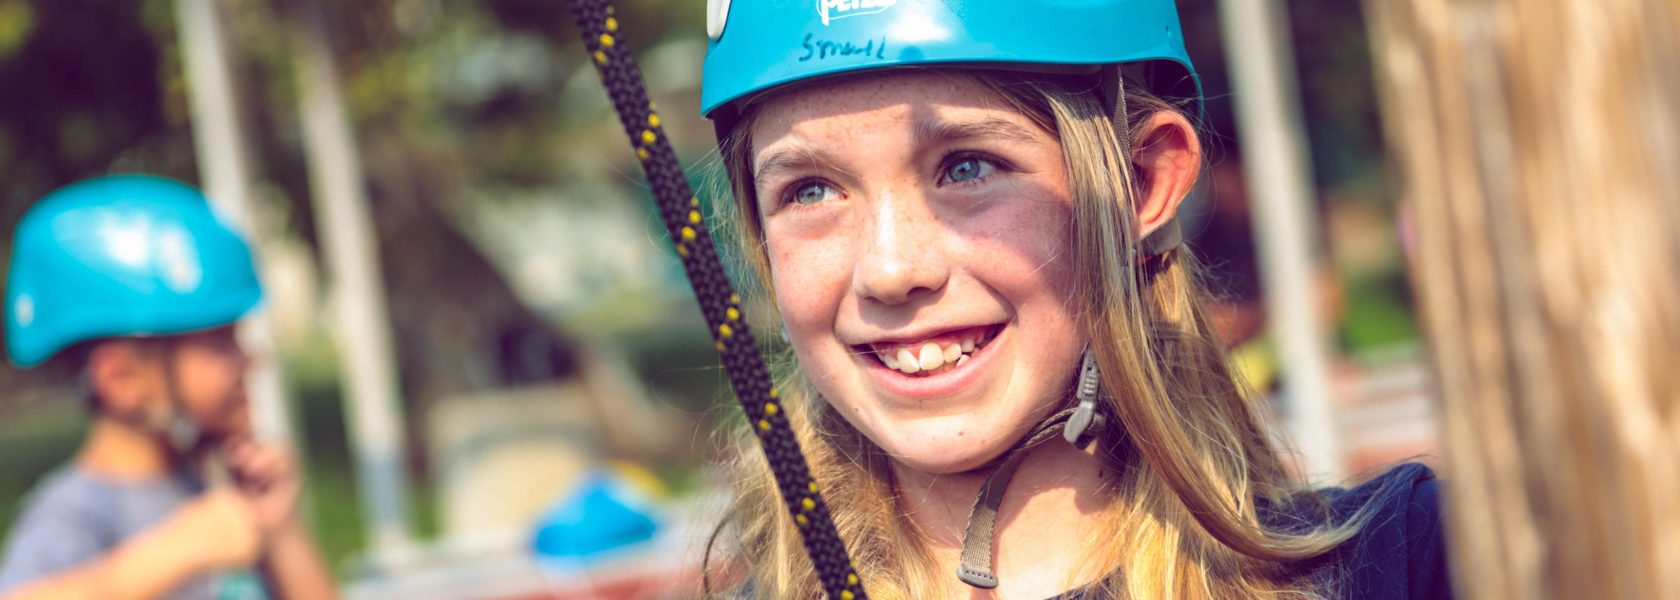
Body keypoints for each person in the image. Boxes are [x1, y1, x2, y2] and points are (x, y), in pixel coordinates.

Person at [697, 0, 1450, 598]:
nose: (891, 270)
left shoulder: (1409, 564)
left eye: (967, 167)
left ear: (1143, 182)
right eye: (811, 190)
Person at [0, 175, 337, 600]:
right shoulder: (76, 514)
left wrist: (281, 529)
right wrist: (174, 552)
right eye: (219, 345)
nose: (251, 359)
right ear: (121, 380)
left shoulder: (216, 483)